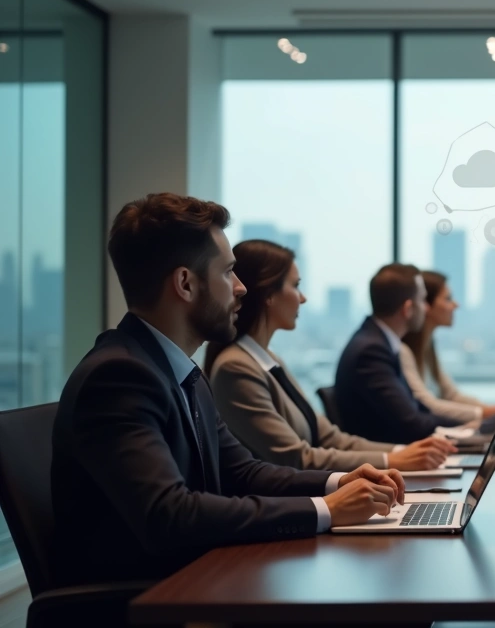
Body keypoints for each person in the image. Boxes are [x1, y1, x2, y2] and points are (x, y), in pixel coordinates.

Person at [52, 193, 405, 589]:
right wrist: (324, 509)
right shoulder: (119, 377)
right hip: (148, 601)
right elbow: (170, 514)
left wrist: (337, 483)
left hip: (201, 577)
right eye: (228, 273)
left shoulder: (180, 372)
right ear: (185, 284)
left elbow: (243, 472)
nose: (240, 289)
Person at [205, 240, 457, 472]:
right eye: (295, 286)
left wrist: (402, 452)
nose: (302, 298)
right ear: (268, 294)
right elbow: (296, 458)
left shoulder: (268, 359)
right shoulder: (236, 368)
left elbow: (330, 438)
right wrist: (392, 460)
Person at [335, 263, 465, 443]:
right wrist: (468, 427)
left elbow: (417, 412)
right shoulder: (371, 352)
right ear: (408, 309)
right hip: (385, 463)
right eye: (422, 300)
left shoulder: (379, 343)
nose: (426, 308)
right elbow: (412, 423)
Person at [401, 271, 495, 423]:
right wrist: (486, 413)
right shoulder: (404, 351)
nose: (456, 304)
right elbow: (428, 405)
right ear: (425, 304)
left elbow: (451, 395)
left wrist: (491, 410)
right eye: (447, 299)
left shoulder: (428, 345)